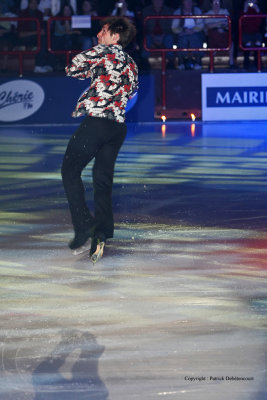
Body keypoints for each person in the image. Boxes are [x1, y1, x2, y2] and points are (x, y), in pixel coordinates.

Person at [61, 16, 138, 263]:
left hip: (96, 123)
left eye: (103, 31)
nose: (98, 34)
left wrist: (94, 66)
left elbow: (73, 67)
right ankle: (102, 232)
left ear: (115, 36)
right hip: (117, 127)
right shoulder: (132, 64)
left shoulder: (103, 51)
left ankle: (85, 225)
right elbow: (132, 89)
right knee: (102, 181)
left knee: (69, 170)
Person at [17, 0, 54, 72]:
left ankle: (48, 64)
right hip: (24, 38)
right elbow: (20, 34)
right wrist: (36, 32)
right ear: (29, 3)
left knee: (49, 39)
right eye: (32, 3)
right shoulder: (22, 13)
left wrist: (42, 32)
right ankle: (38, 65)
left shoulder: (39, 14)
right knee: (42, 40)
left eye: (36, 3)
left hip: (36, 37)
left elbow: (42, 29)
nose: (34, 5)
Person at [172, 0, 204, 70]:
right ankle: (181, 62)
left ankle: (198, 61)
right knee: (182, 39)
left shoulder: (197, 11)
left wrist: (192, 30)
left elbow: (201, 25)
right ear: (183, 2)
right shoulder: (177, 12)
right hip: (182, 33)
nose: (188, 4)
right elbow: (174, 28)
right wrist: (183, 31)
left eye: (190, 2)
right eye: (186, 2)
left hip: (195, 32)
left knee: (195, 38)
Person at [142, 0, 175, 69]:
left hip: (164, 35)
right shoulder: (146, 11)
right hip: (151, 35)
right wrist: (152, 36)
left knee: (169, 38)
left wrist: (162, 36)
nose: (158, 2)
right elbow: (144, 27)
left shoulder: (168, 11)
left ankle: (170, 61)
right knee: (146, 39)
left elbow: (169, 27)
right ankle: (144, 61)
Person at [204, 0, 235, 68]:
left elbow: (227, 23)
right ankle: (211, 63)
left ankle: (231, 63)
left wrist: (216, 24)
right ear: (211, 4)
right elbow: (208, 26)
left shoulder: (225, 11)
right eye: (215, 3)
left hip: (224, 33)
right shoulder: (208, 14)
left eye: (218, 3)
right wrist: (220, 23)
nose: (217, 4)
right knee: (213, 38)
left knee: (231, 43)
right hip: (213, 34)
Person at [241, 0, 264, 69]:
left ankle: (258, 64)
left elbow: (260, 24)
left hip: (256, 33)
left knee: (258, 41)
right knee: (247, 42)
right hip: (246, 33)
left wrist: (257, 10)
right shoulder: (243, 11)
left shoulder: (259, 10)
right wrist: (245, 10)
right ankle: (246, 64)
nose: (251, 3)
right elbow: (243, 23)